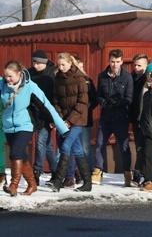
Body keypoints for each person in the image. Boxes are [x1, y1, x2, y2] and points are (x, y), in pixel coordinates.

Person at [1, 61, 68, 196]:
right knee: (22, 157)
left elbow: (47, 106)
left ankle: (14, 185)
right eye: (5, 76)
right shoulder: (2, 85)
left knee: (15, 153)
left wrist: (62, 128)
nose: (7, 79)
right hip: (8, 126)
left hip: (25, 125)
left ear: (19, 74)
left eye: (10, 76)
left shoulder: (30, 86)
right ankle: (32, 184)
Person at [47, 53, 92, 192]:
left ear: (70, 63)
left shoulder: (80, 78)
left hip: (78, 119)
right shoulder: (58, 79)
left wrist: (70, 120)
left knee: (66, 146)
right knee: (77, 149)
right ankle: (87, 182)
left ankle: (57, 180)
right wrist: (60, 119)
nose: (61, 68)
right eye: (59, 65)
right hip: (64, 119)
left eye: (63, 65)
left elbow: (82, 103)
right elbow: (56, 101)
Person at [93, 49, 134, 186]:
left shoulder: (127, 77)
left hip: (120, 117)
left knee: (123, 146)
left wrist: (118, 102)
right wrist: (102, 101)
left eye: (117, 62)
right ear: (109, 61)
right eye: (112, 62)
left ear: (122, 61)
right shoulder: (102, 76)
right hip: (106, 116)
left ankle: (127, 173)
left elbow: (129, 98)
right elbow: (98, 94)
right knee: (99, 144)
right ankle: (98, 172)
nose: (115, 65)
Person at [28, 50, 58, 187]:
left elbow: (55, 97)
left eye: (39, 63)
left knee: (40, 142)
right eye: (34, 62)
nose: (36, 65)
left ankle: (37, 171)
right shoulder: (29, 74)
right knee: (48, 145)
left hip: (47, 113)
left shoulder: (51, 74)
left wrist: (53, 117)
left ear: (45, 63)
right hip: (34, 113)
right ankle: (56, 171)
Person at [129, 53, 149, 187]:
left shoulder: (148, 80)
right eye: (135, 65)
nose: (136, 68)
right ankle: (138, 175)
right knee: (139, 148)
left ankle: (146, 175)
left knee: (147, 149)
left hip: (146, 119)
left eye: (139, 65)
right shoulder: (131, 78)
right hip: (135, 117)